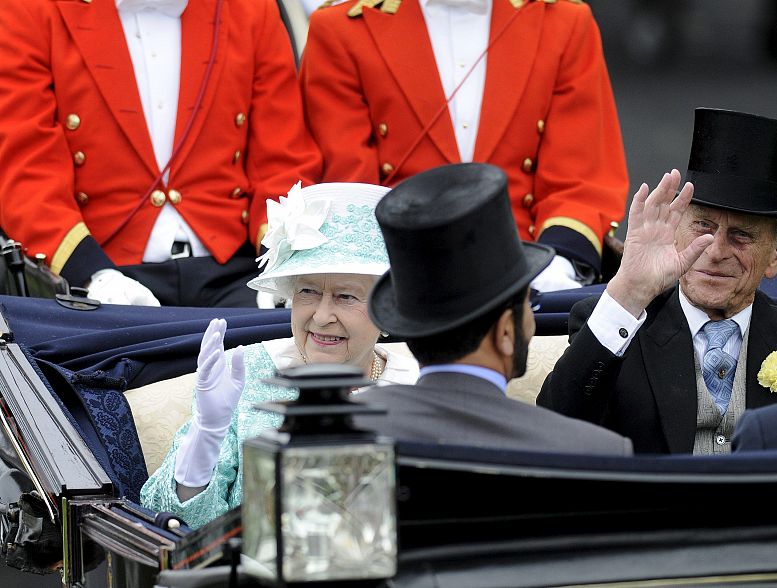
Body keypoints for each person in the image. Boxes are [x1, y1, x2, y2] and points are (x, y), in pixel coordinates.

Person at [0, 0, 321, 307]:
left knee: (289, 354)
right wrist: (92, 274)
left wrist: (282, 263)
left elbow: (282, 159)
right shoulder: (31, 11)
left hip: (238, 274)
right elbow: (27, 170)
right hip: (105, 273)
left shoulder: (249, 9)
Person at [140, 183, 419, 527]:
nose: (320, 316)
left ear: (387, 309)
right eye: (308, 291)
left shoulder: (417, 388)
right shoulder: (246, 373)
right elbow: (173, 520)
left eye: (345, 296)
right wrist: (206, 434)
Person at [299, 0, 628, 292]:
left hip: (529, 270)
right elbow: (350, 185)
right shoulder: (341, 28)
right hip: (397, 278)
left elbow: (580, 177)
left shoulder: (565, 22)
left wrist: (557, 264)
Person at [537, 108, 777, 455]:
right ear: (675, 230)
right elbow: (554, 427)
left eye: (741, 236)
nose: (715, 250)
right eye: (703, 226)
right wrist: (630, 291)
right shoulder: (619, 326)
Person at [353, 163, 632, 455]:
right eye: (529, 303)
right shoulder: (594, 451)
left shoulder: (335, 431)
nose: (532, 321)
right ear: (506, 332)